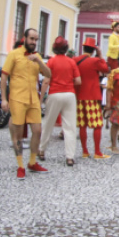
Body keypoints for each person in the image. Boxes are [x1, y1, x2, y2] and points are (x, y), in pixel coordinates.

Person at [1, 28, 52, 179]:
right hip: (17, 98)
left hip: (33, 99)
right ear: (25, 38)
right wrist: (3, 99)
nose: (34, 42)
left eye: (36, 39)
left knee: (37, 131)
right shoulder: (14, 54)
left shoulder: (37, 57)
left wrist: (39, 62)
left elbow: (48, 74)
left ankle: (32, 162)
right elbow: (4, 77)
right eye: (31, 39)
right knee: (17, 134)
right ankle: (20, 165)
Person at [39, 37, 81, 166]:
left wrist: (41, 98)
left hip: (55, 93)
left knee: (48, 123)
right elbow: (78, 81)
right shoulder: (71, 62)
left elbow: (46, 81)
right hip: (69, 94)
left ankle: (41, 150)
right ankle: (70, 157)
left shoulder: (51, 62)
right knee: (70, 127)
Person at [75, 37, 110, 159]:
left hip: (79, 96)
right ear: (93, 50)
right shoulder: (95, 61)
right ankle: (97, 152)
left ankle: (85, 151)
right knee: (97, 125)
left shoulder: (75, 60)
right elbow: (105, 69)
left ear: (83, 47)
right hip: (92, 96)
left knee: (82, 125)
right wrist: (100, 55)